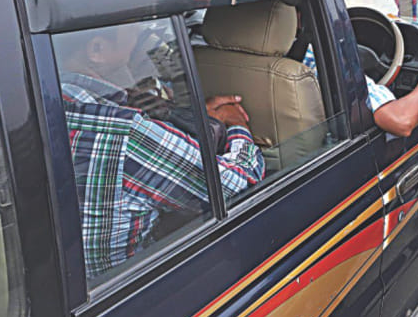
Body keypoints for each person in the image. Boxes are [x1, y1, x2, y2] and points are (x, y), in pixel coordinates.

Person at [53, 23, 265, 278]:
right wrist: (237, 126)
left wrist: (196, 117)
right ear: (97, 49)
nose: (141, 34)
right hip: (130, 288)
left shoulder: (50, 100)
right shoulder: (125, 133)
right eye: (132, 29)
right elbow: (238, 185)